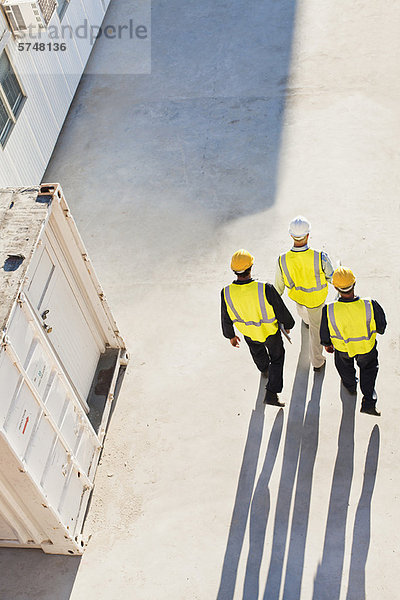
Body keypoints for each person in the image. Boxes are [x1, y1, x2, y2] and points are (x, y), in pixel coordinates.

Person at [221, 249, 295, 406]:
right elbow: (280, 309)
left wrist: (231, 336)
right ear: (251, 267)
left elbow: (225, 316)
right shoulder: (265, 288)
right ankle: (271, 393)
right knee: (277, 357)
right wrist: (288, 325)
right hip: (270, 332)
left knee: (257, 352)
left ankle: (264, 369)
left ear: (234, 270)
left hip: (248, 332)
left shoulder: (226, 292)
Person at [320, 267, 386, 416]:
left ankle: (350, 386)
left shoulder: (329, 309)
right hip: (366, 349)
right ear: (354, 283)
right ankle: (368, 401)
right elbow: (382, 328)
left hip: (343, 349)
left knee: (345, 370)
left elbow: (324, 332)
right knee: (368, 372)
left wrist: (327, 344)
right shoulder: (370, 304)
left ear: (336, 288)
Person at [275, 215, 334, 372]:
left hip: (298, 299)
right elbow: (332, 277)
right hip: (316, 301)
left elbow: (278, 289)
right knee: (316, 332)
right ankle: (317, 362)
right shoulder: (319, 256)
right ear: (308, 235)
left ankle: (306, 321)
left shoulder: (282, 260)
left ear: (291, 235)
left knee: (304, 316)